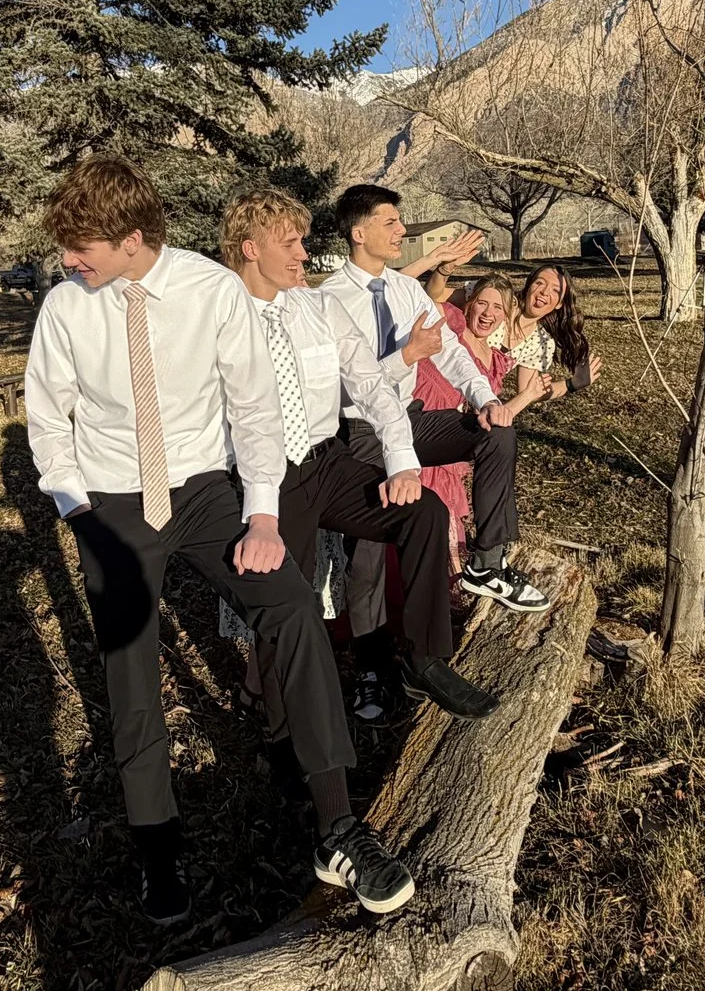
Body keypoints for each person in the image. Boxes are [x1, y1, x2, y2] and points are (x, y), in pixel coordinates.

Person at [23, 158, 414, 923]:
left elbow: (255, 410)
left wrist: (263, 515)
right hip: (110, 502)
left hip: (205, 493)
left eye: (84, 248)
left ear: (133, 238)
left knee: (293, 605)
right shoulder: (67, 307)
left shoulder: (211, 293)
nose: (72, 262)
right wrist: (80, 519)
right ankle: (159, 852)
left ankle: (336, 827)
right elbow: (48, 420)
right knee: (130, 675)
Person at [220, 190, 498, 736]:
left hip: (329, 460)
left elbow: (370, 384)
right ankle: (283, 732)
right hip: (268, 480)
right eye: (291, 243)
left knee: (424, 514)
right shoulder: (219, 317)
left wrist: (401, 460)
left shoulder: (318, 308)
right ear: (251, 249)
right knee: (287, 611)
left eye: (303, 241)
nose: (304, 254)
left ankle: (423, 659)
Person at [320, 185, 549, 614]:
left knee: (495, 433)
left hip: (412, 417)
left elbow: (451, 351)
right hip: (361, 430)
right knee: (369, 554)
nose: (402, 229)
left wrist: (483, 398)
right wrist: (405, 355)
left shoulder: (407, 291)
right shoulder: (329, 299)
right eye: (390, 221)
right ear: (358, 233)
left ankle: (486, 563)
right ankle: (372, 665)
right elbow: (336, 388)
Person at [415, 274, 553, 566]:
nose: (488, 313)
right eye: (482, 303)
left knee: (441, 530)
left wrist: (528, 395)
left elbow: (494, 418)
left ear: (505, 315)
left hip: (447, 442)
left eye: (498, 308)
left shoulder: (495, 362)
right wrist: (442, 269)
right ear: (469, 304)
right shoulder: (452, 324)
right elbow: (430, 295)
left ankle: (484, 565)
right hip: (417, 422)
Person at [502, 263, 601, 400]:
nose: (545, 291)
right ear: (529, 285)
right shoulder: (500, 301)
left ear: (559, 303)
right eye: (539, 283)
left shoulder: (539, 341)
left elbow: (527, 392)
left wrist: (572, 384)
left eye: (556, 290)